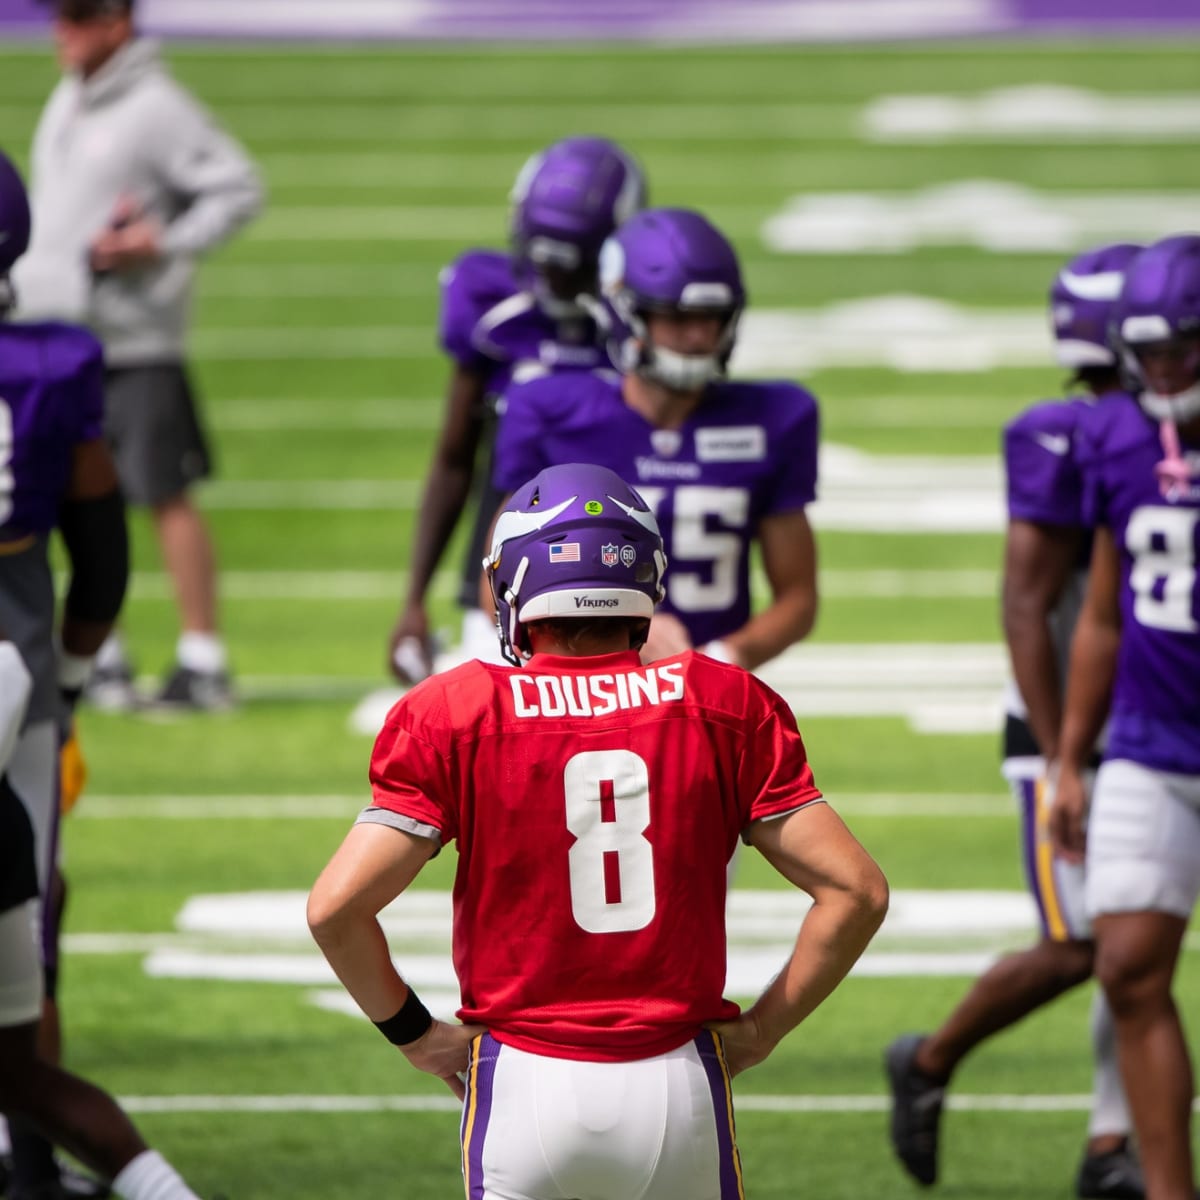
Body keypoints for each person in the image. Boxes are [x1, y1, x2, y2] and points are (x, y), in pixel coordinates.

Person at [309, 463, 887, 1199]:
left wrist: (417, 1036)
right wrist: (764, 1028)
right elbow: (857, 891)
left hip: (522, 1081)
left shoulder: (452, 711)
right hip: (679, 1083)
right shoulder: (724, 702)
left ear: (516, 582)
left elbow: (335, 909)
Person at [885, 244, 1146, 1199]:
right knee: (1088, 945)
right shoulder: (1063, 436)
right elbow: (1025, 605)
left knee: (1137, 945)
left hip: (1157, 720)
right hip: (1067, 731)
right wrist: (1063, 752)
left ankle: (1112, 1142)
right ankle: (930, 1059)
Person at [0, 148, 205, 1200]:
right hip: (21, 684)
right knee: (26, 918)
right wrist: (74, 681)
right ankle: (31, 1161)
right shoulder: (51, 362)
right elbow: (105, 552)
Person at [13, 0, 264, 710]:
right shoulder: (73, 93)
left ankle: (202, 657)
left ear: (118, 22)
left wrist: (160, 243)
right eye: (59, 15)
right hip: (71, 330)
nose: (61, 29)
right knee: (86, 496)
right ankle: (107, 655)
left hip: (135, 337)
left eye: (78, 15)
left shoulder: (157, 106)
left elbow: (239, 186)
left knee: (164, 491)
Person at [489, 207, 819, 672]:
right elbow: (499, 587)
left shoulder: (775, 419)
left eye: (713, 317)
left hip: (708, 684)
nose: (700, 335)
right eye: (678, 317)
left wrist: (720, 659)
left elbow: (799, 598)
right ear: (627, 313)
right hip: (580, 678)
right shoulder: (550, 411)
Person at [386, 136, 646, 684]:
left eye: (569, 264)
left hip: (619, 573)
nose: (551, 278)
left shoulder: (642, 319)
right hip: (502, 572)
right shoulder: (491, 307)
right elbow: (455, 456)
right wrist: (414, 599)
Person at [1052, 234, 1200, 1200]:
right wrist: (1072, 757)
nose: (1160, 373)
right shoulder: (1112, 437)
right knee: (1129, 966)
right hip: (1150, 744)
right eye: (1146, 355)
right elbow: (1103, 608)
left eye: (1179, 351)